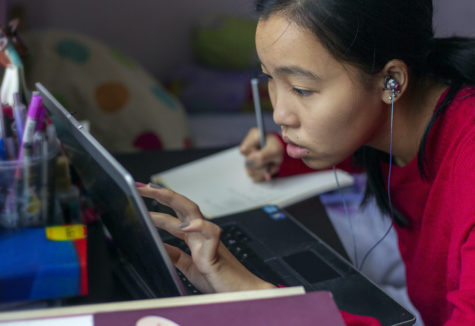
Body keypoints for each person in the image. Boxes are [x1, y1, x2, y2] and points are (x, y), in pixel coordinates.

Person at [136, 0, 475, 325]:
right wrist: (280, 155)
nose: (280, 115)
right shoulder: (405, 121)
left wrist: (255, 295)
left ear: (392, 82)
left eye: (301, 89)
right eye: (270, 78)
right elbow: (357, 151)